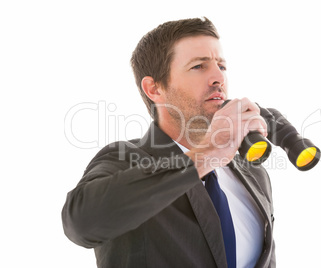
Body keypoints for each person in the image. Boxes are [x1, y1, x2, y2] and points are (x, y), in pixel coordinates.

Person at [62, 17, 276, 268]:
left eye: (222, 66)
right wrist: (207, 153)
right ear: (154, 88)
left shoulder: (252, 173)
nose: (218, 77)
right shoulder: (125, 159)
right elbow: (82, 224)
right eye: (199, 66)